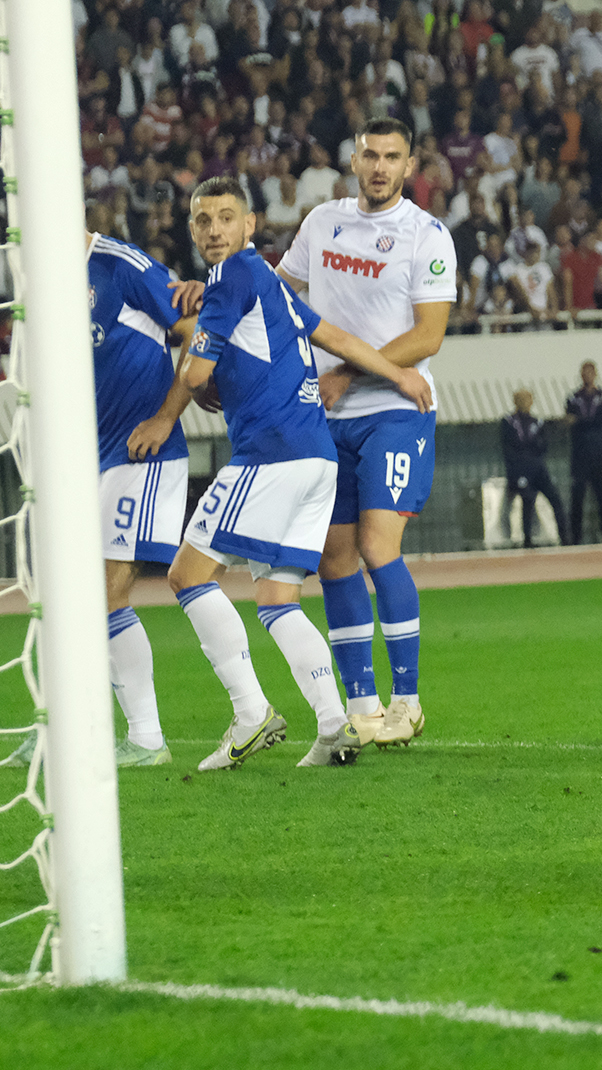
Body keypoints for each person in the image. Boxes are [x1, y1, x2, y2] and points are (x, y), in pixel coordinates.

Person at [172, 177, 432, 772]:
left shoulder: (231, 277)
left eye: (225, 217)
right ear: (193, 229)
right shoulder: (266, 278)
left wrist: (186, 336)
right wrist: (399, 374)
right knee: (277, 597)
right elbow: (335, 337)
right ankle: (337, 725)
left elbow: (193, 377)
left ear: (249, 225)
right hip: (317, 455)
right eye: (203, 219)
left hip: (272, 453)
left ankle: (250, 713)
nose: (214, 229)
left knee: (187, 576)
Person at [277, 119, 456, 750]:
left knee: (379, 548)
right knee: (335, 558)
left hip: (394, 413)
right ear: (353, 160)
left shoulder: (427, 236)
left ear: (410, 167)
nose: (380, 167)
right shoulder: (322, 222)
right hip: (327, 418)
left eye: (393, 158)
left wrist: (348, 373)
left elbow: (427, 336)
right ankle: (363, 705)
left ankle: (406, 699)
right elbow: (279, 289)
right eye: (370, 155)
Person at [2, 233, 199, 771]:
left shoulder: (121, 266)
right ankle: (64, 731)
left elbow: (197, 330)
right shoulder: (35, 281)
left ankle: (147, 738)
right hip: (85, 462)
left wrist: (166, 416)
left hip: (142, 456)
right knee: (67, 600)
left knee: (106, 594)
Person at [502, 390, 570, 547]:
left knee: (555, 499)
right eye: (521, 399)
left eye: (527, 399)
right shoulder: (509, 422)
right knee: (527, 501)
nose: (525, 402)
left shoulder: (536, 422)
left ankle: (565, 536)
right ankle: (527, 539)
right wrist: (514, 474)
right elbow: (509, 449)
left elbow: (542, 444)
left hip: (538, 467)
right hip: (521, 468)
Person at [566, 361, 602, 544]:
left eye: (590, 372)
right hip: (580, 455)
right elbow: (592, 421)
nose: (587, 375)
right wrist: (592, 423)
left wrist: (580, 421)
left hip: (599, 454)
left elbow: (599, 417)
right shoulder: (573, 398)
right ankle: (575, 538)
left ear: (595, 374)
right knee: (577, 498)